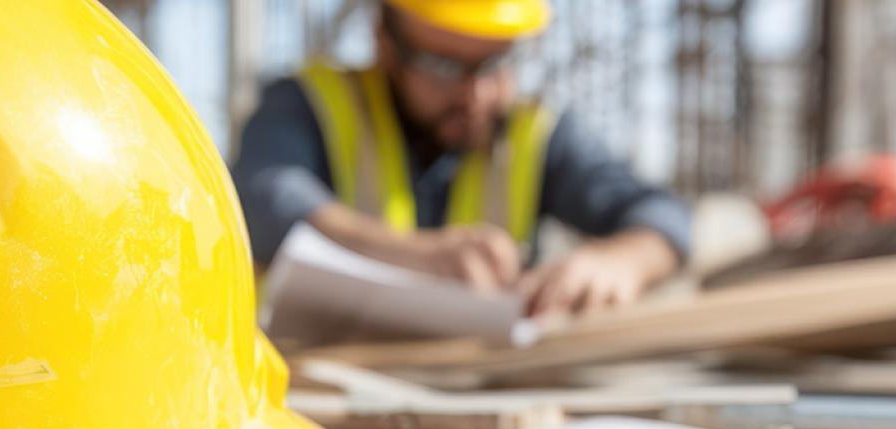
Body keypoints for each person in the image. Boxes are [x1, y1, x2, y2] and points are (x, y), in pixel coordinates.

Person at [231, 0, 689, 318]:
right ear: (384, 42)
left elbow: (664, 216)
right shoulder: (310, 105)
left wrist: (621, 260)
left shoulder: (536, 134)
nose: (477, 93)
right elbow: (262, 200)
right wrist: (411, 255)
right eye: (446, 66)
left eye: (495, 64)